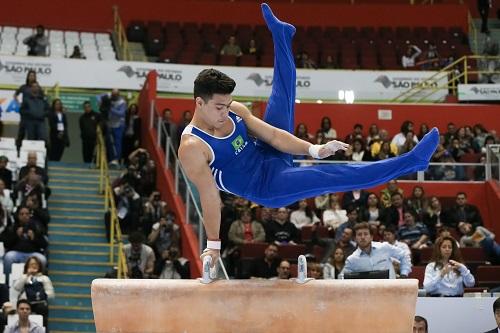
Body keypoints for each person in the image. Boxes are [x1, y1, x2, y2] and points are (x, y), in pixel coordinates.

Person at [178, 3, 439, 266]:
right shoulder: (193, 146)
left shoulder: (234, 109)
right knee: (333, 175)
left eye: (228, 104)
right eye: (219, 107)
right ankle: (412, 161)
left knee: (282, 96)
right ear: (199, 103)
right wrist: (213, 246)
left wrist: (315, 149)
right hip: (268, 185)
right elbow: (209, 196)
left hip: (271, 154)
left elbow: (273, 136)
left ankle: (281, 35)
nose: (225, 112)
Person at [340, 222, 412, 279]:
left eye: (365, 234)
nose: (362, 237)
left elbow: (404, 256)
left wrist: (404, 274)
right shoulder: (352, 259)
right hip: (367, 295)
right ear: (355, 239)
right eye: (359, 234)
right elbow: (341, 277)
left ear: (371, 237)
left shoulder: (384, 247)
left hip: (390, 292)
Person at [13, 256, 54, 328]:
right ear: (27, 266)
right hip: (26, 302)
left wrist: (41, 296)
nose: (34, 266)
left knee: (42, 308)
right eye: (31, 264)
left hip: (39, 303)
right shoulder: (24, 277)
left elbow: (50, 294)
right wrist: (27, 275)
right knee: (22, 308)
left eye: (36, 264)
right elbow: (17, 287)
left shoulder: (44, 278)